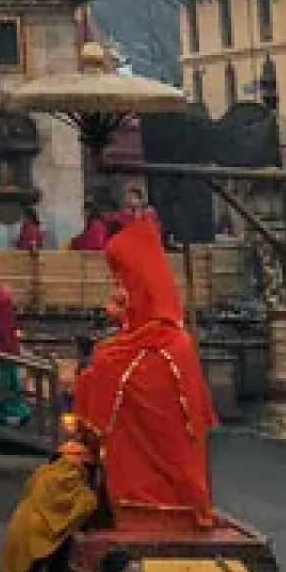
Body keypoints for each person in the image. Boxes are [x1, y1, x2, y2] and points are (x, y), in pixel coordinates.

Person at [72, 217, 216, 526]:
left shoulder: (169, 342)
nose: (117, 294)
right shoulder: (135, 339)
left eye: (122, 283)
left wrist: (98, 374)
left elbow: (126, 382)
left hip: (162, 484)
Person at [0, 425, 102, 572]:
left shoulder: (42, 474)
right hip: (41, 552)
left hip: (20, 537)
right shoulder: (80, 489)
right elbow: (83, 510)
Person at [0, 283, 32, 428]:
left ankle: (7, 414)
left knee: (5, 384)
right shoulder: (4, 309)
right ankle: (14, 414)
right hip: (7, 352)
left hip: (2, 352)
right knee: (10, 384)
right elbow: (5, 331)